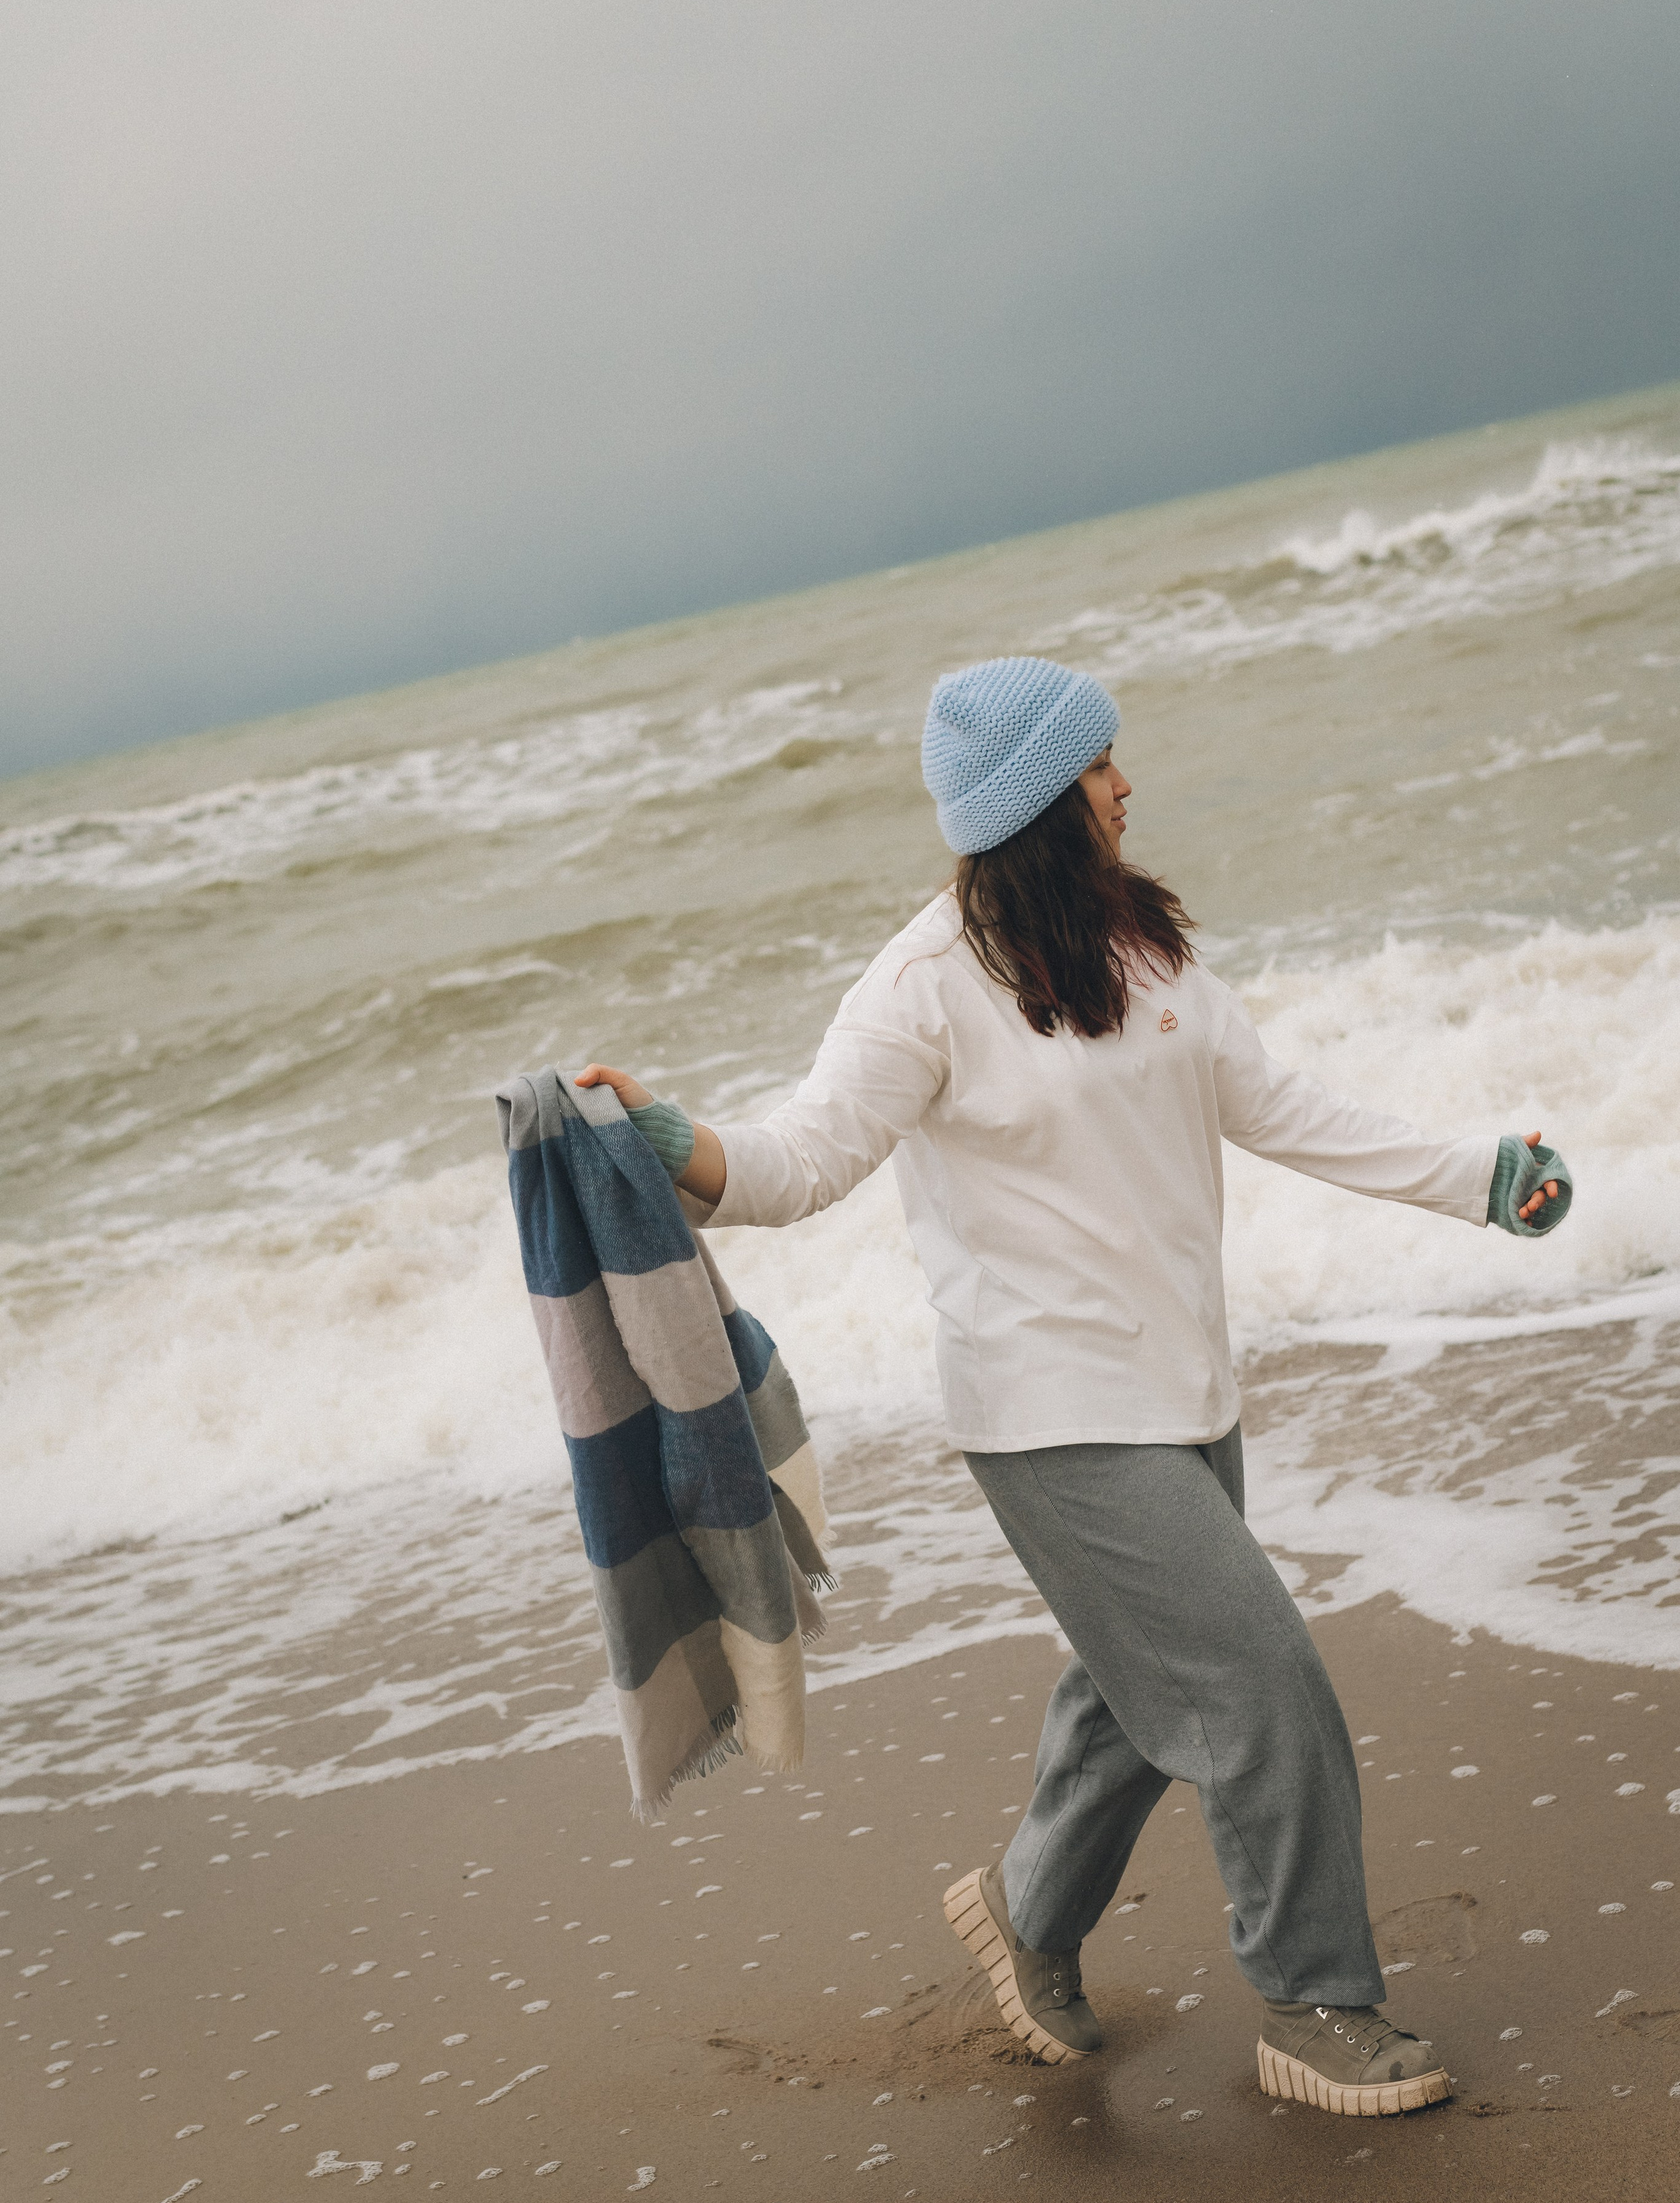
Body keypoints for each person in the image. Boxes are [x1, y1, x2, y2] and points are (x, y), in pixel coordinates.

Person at [576, 654, 1570, 2118]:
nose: (1123, 783)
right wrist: (672, 1141)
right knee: (1257, 1684)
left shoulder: (1141, 946)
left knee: (1135, 1690)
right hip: (1047, 1414)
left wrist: (1471, 1179)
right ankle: (1315, 2002)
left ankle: (1023, 1907)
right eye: (1101, 764)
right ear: (1043, 797)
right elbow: (800, 1160)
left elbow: (1280, 1106)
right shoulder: (922, 981)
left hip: (1183, 1388)